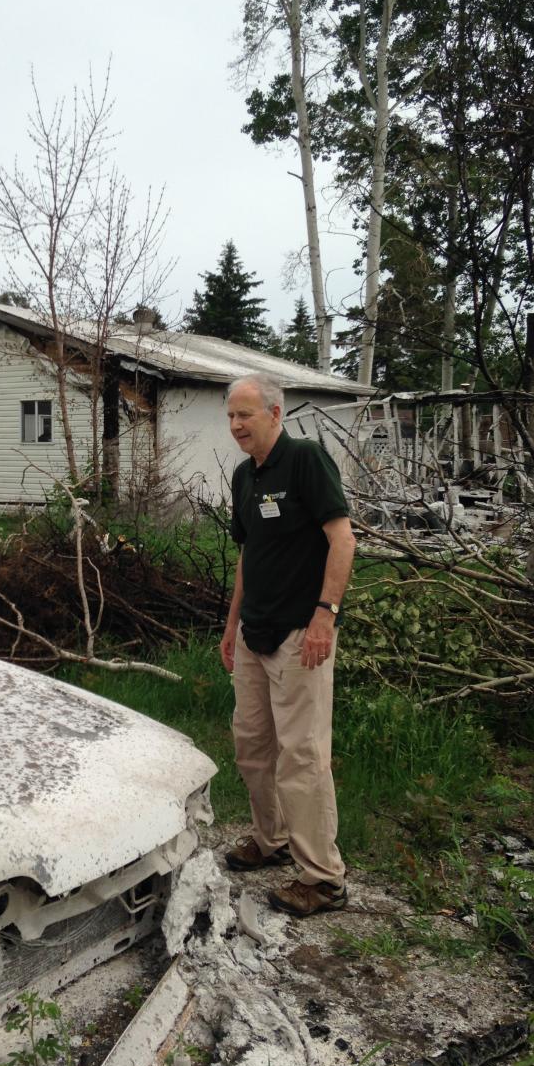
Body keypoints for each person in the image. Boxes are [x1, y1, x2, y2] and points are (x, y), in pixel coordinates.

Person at [219, 375, 356, 917]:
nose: (235, 426)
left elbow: (342, 539)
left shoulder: (305, 461)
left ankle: (323, 878)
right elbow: (248, 558)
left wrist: (326, 616)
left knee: (301, 755)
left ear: (275, 413)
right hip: (255, 633)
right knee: (252, 744)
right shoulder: (243, 477)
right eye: (230, 417)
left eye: (245, 415)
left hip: (302, 633)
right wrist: (231, 626)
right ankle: (271, 838)